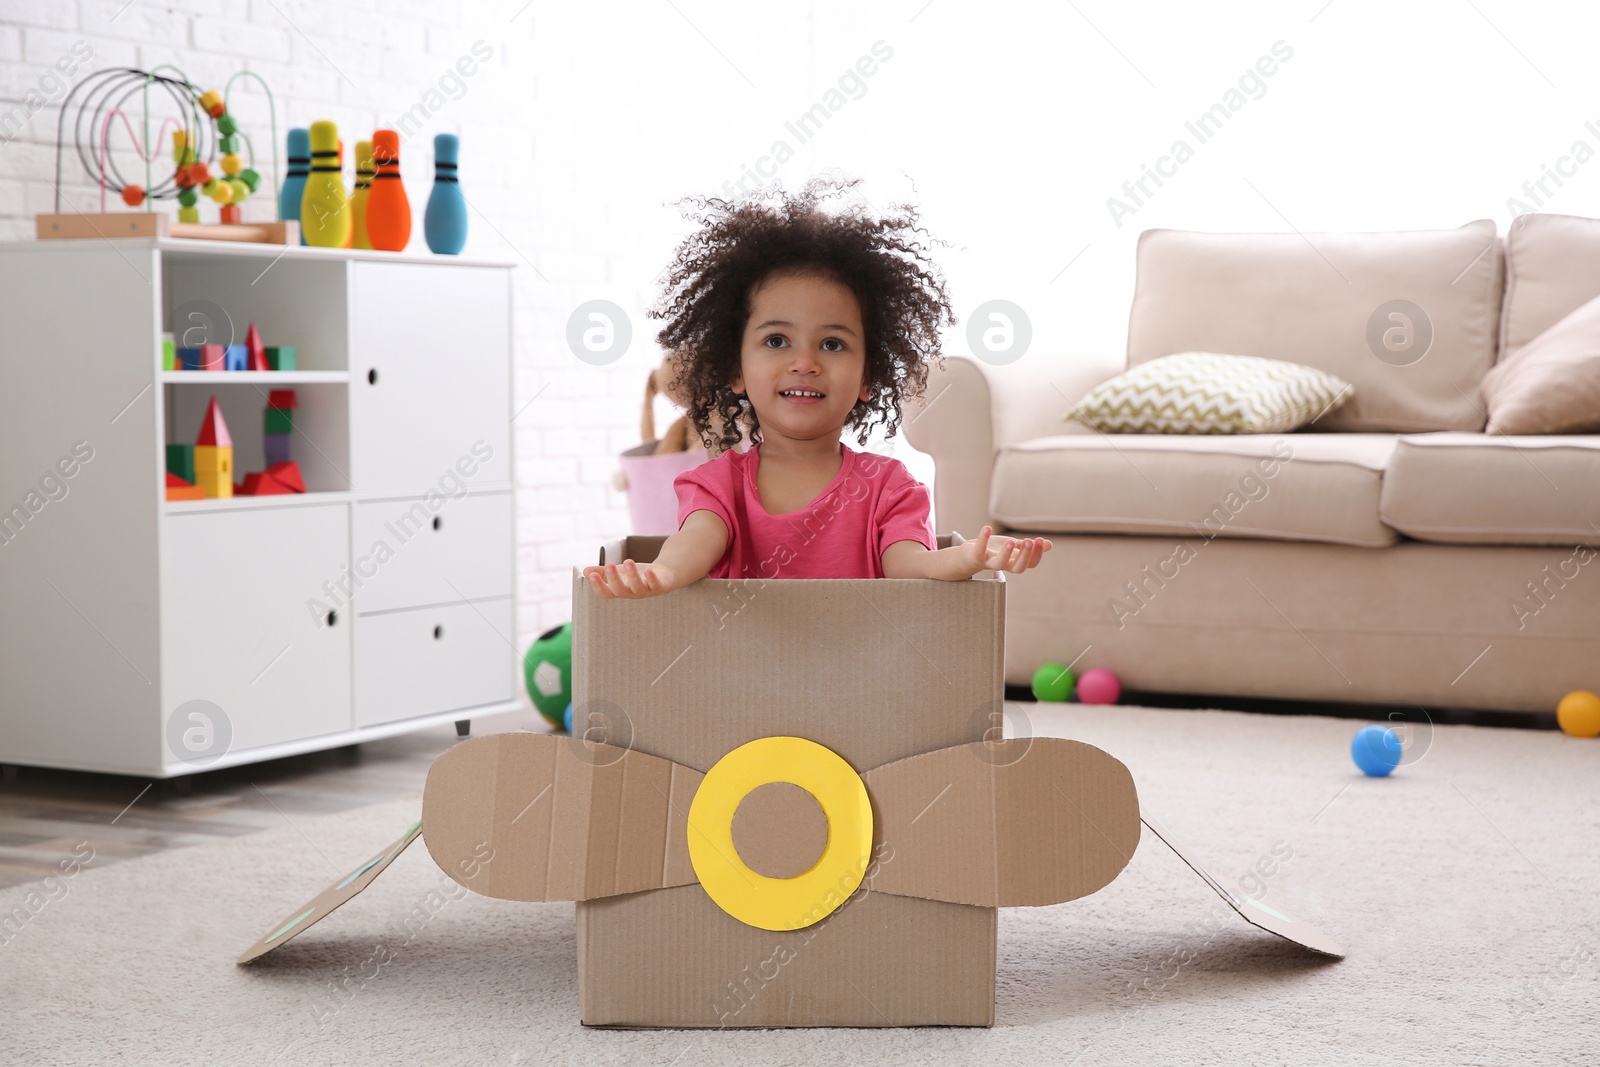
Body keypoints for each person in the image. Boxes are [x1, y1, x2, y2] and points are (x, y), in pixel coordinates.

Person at [583, 178, 1051, 600]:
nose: (804, 362)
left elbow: (909, 565)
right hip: (740, 683)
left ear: (867, 377)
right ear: (736, 370)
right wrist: (662, 575)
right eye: (776, 340)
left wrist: (970, 557)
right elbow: (694, 543)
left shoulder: (889, 487)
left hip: (858, 681)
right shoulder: (716, 484)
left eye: (832, 343)